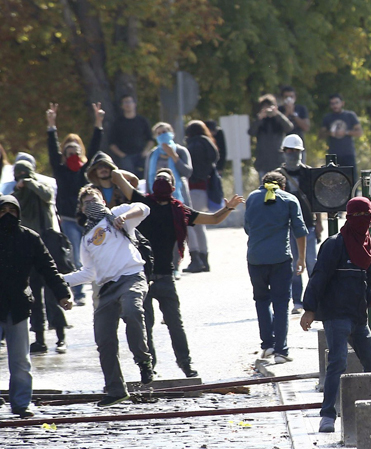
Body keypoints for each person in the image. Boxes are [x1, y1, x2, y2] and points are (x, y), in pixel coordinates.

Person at [112, 168, 242, 377]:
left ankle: (186, 365)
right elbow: (116, 175)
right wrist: (134, 179)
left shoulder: (179, 210)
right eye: (158, 178)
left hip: (165, 277)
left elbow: (213, 219)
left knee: (175, 325)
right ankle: (150, 369)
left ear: (173, 186)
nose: (161, 181)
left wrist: (228, 208)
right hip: (141, 278)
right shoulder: (142, 204)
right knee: (146, 327)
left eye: (166, 179)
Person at [300, 197, 371, 434]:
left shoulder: (367, 246)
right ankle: (327, 416)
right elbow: (319, 277)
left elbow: (369, 281)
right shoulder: (335, 244)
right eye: (358, 217)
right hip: (336, 316)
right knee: (337, 362)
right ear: (348, 219)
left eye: (367, 217)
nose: (364, 222)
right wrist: (309, 309)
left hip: (358, 317)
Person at [63, 186, 153, 407]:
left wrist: (124, 216)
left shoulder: (116, 215)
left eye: (94, 199)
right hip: (106, 287)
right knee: (104, 340)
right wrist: (59, 279)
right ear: (81, 208)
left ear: (103, 199)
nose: (90, 204)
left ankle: (143, 360)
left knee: (133, 311)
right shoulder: (86, 238)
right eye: (85, 202)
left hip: (131, 276)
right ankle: (115, 390)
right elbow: (88, 272)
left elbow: (144, 208)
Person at [0, 195, 72, 417]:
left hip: (18, 306)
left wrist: (62, 294)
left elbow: (48, 268)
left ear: (19, 213)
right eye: (3, 211)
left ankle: (21, 403)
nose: (7, 215)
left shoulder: (29, 238)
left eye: (12, 210)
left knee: (21, 361)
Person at [244, 171, 308, 364]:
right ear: (283, 185)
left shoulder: (252, 198)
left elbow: (248, 228)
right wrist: (301, 259)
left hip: (255, 259)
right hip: (280, 259)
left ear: (262, 184)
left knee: (261, 301)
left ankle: (267, 345)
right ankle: (281, 351)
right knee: (281, 303)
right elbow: (300, 231)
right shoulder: (289, 199)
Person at [47, 102, 104, 305]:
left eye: (76, 152)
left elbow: (96, 147)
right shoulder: (61, 169)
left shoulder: (85, 170)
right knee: (76, 255)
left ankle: (103, 284)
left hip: (88, 218)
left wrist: (98, 123)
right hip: (69, 219)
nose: (73, 155)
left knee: (95, 252)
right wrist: (51, 125)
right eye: (68, 152)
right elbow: (53, 151)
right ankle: (79, 293)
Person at [12, 160, 68, 355]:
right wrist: (19, 188)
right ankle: (39, 338)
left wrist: (30, 182)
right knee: (33, 298)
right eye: (19, 174)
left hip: (47, 246)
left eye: (24, 173)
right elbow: (10, 205)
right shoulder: (17, 195)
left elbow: (47, 195)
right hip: (27, 250)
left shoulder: (40, 187)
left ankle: (61, 337)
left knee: (54, 295)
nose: (22, 177)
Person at [277, 134, 320, 314]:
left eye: (296, 151)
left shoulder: (309, 173)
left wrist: (319, 223)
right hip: (286, 227)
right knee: (294, 264)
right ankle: (297, 301)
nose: (293, 154)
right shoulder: (277, 175)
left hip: (307, 224)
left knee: (312, 263)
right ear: (284, 152)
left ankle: (315, 300)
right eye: (289, 151)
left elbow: (317, 199)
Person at [145, 123, 194, 276]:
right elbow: (148, 178)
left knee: (177, 232)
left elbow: (187, 172)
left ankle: (176, 265)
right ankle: (160, 265)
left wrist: (174, 156)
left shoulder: (181, 150)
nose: (163, 134)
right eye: (159, 133)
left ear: (172, 133)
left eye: (165, 131)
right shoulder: (153, 154)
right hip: (156, 199)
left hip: (177, 197)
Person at [183, 121, 221, 272]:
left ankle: (195, 258)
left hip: (194, 188)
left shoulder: (194, 146)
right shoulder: (209, 145)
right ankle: (205, 259)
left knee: (189, 223)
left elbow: (191, 169)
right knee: (200, 224)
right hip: (206, 189)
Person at [249, 95, 293, 178]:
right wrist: (260, 118)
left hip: (278, 160)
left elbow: (289, 127)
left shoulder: (278, 120)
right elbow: (251, 132)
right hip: (263, 161)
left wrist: (277, 114)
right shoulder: (260, 121)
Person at [108, 95, 152, 176]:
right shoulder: (118, 122)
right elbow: (112, 143)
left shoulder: (142, 121)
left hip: (141, 155)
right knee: (129, 179)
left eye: (129, 102)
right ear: (122, 106)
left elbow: (150, 140)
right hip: (126, 157)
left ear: (134, 104)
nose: (128, 104)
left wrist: (146, 151)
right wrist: (122, 155)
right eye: (125, 102)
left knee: (145, 177)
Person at [320, 94, 363, 173]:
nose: (335, 105)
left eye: (337, 103)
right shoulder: (327, 117)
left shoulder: (350, 115)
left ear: (342, 103)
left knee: (351, 179)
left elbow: (359, 132)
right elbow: (321, 135)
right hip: (333, 155)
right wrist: (329, 133)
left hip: (348, 153)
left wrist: (346, 132)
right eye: (332, 104)